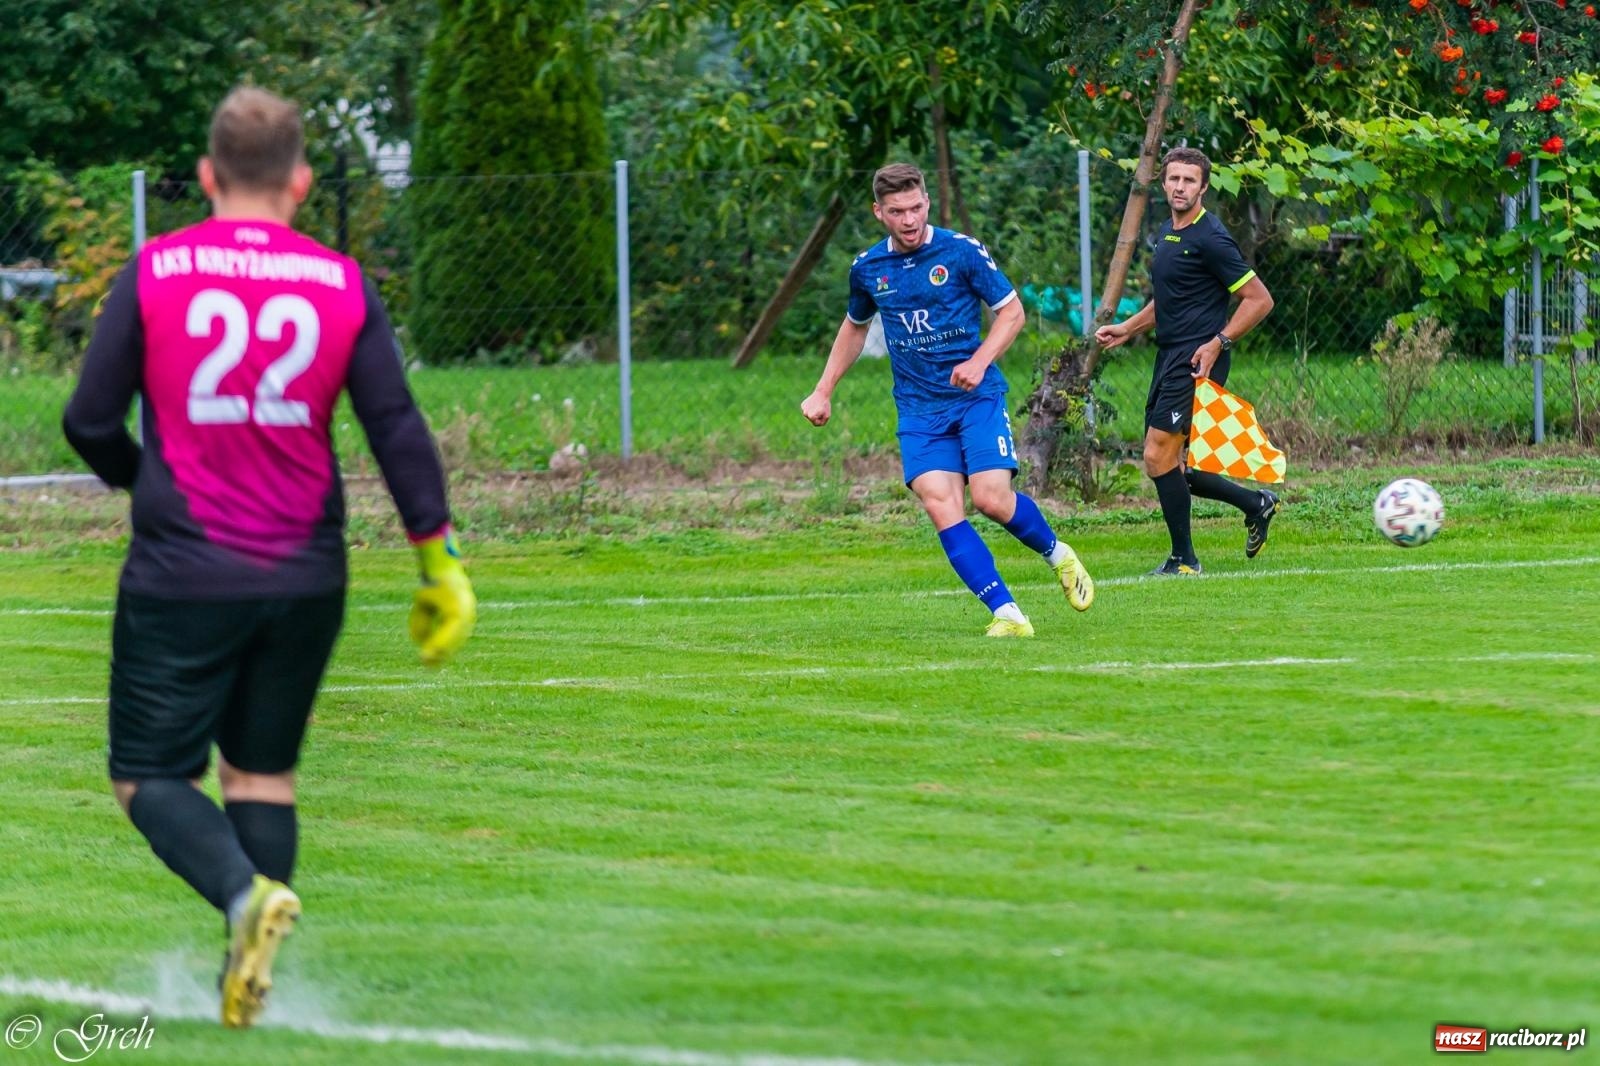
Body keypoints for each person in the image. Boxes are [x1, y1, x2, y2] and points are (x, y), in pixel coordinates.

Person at [62, 86, 476, 1029]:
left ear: (207, 176)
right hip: (307, 573)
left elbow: (87, 420)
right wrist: (437, 558)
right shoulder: (339, 280)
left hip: (185, 570)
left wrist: (142, 481)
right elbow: (396, 427)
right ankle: (245, 976)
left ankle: (244, 901)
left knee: (150, 776)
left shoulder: (159, 269)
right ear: (300, 180)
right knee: (261, 777)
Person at [801, 163, 1093, 636]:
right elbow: (855, 326)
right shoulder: (868, 268)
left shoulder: (960, 252)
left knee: (992, 499)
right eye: (897, 211)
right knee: (941, 505)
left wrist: (979, 362)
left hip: (976, 398)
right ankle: (1007, 613)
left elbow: (1013, 313)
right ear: (879, 213)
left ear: (927, 202)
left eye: (916, 207)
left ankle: (1059, 555)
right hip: (918, 409)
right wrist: (823, 389)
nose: (910, 219)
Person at [1095, 147, 1279, 575]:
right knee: (1175, 466)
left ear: (1203, 187)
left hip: (1198, 360)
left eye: (1189, 181)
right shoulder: (1168, 232)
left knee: (1158, 456)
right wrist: (1127, 328)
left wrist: (1219, 342)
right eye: (1174, 179)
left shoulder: (1210, 238)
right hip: (1169, 355)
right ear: (1163, 183)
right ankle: (1256, 503)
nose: (1180, 187)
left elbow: (1259, 300)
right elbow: (1168, 300)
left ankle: (1184, 560)